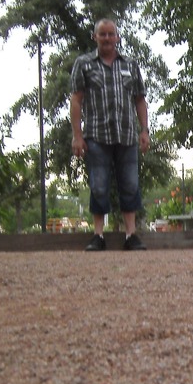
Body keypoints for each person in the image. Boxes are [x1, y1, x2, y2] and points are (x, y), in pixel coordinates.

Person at [70, 18, 150, 251]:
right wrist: (77, 135)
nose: (107, 38)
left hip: (126, 134)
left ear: (117, 37)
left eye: (110, 34)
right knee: (99, 185)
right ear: (95, 37)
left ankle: (131, 235)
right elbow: (76, 100)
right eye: (102, 34)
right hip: (96, 134)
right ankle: (98, 235)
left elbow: (140, 100)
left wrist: (144, 130)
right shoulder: (84, 64)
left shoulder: (131, 65)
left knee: (130, 184)